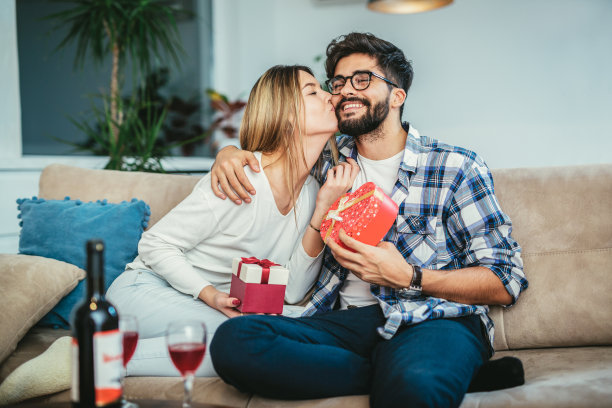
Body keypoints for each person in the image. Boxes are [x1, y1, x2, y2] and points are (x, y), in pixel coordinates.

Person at [208, 32, 529, 407]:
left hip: (432, 318)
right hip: (348, 325)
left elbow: (506, 279)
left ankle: (415, 369)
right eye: (339, 82)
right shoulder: (324, 161)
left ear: (397, 96)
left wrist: (409, 277)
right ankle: (413, 371)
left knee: (414, 387)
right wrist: (229, 152)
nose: (345, 91)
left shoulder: (455, 167)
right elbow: (271, 149)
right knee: (235, 341)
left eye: (362, 80)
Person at [105, 65, 360, 377]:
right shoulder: (241, 179)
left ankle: (104, 354)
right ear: (286, 115)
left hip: (198, 307)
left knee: (269, 332)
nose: (330, 96)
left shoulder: (314, 192)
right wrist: (210, 294)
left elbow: (291, 292)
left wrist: (323, 211)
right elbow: (155, 244)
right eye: (313, 92)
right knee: (248, 341)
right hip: (143, 292)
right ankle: (96, 360)